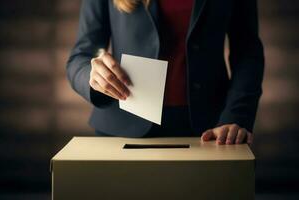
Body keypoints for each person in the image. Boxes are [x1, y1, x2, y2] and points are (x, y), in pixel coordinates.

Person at [67, 0, 264, 145]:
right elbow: (80, 56)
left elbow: (247, 52)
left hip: (212, 130)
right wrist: (91, 75)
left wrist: (236, 115)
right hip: (121, 129)